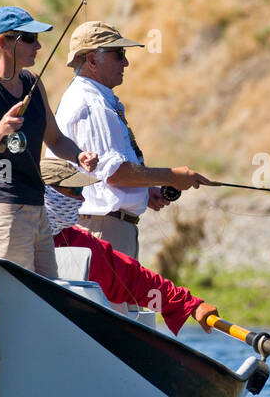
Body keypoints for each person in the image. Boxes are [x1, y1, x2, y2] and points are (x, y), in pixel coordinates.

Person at [0, 159, 219, 336]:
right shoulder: (2, 232)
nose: (82, 200)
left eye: (83, 191)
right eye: (74, 191)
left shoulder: (80, 243)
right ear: (44, 191)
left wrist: (190, 305)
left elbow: (135, 280)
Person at [54, 20, 212, 259]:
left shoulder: (96, 98)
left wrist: (145, 190)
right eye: (118, 54)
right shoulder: (91, 103)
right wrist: (172, 175)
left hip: (106, 228)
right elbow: (115, 174)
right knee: (107, 298)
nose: (126, 62)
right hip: (102, 230)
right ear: (92, 60)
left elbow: (104, 173)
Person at [0, 6, 98, 277]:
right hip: (2, 213)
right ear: (4, 43)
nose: (38, 46)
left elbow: (56, 139)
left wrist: (79, 155)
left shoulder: (33, 82)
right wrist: (0, 129)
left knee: (48, 300)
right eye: (29, 39)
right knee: (12, 295)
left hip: (38, 210)